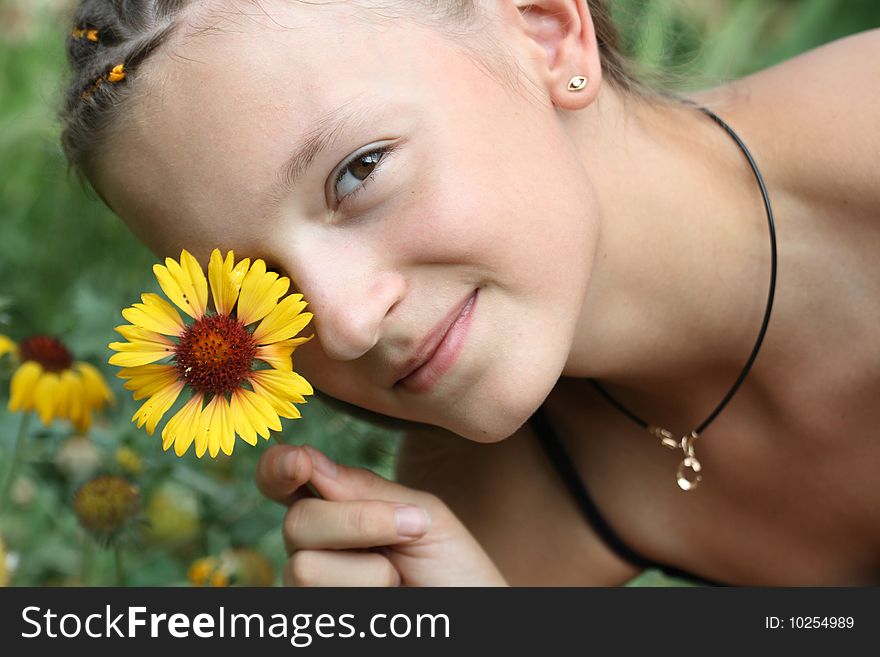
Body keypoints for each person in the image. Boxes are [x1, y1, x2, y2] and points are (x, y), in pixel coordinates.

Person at [59, 0, 880, 586]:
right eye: (258, 291)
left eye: (359, 169)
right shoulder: (468, 518)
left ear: (548, 33)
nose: (342, 324)